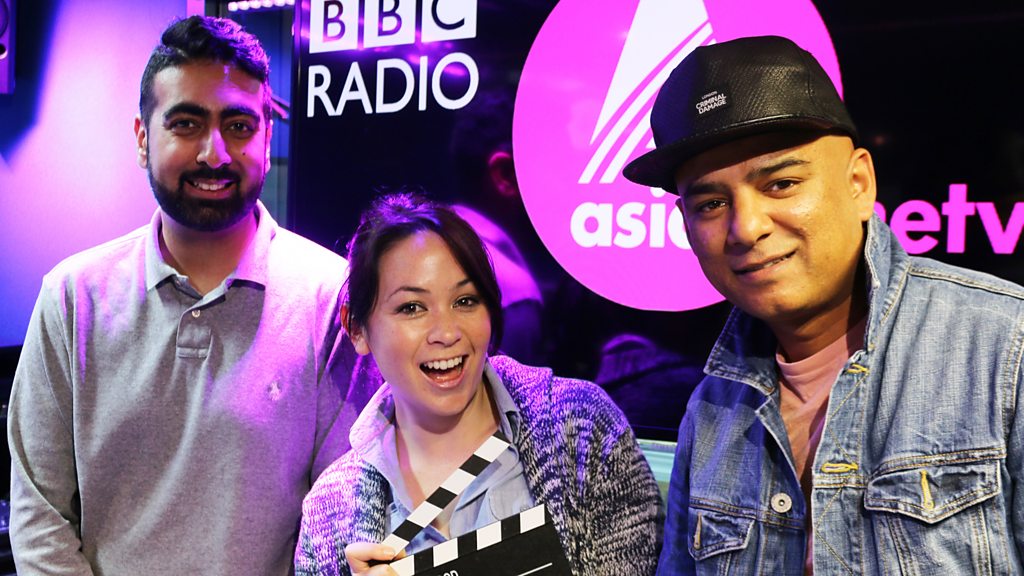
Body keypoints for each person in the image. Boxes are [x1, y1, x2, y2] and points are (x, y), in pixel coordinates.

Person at [622, 35, 1024, 575]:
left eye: (781, 184)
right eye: (712, 203)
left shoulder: (1006, 349)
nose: (746, 228)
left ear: (859, 183)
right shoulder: (713, 408)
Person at [7, 16, 373, 575]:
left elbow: (342, 518)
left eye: (239, 126)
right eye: (186, 124)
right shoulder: (72, 298)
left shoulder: (331, 297)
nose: (214, 153)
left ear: (267, 139)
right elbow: (39, 516)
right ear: (142, 137)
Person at [294, 192, 662, 576]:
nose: (446, 332)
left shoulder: (580, 429)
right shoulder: (330, 511)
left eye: (465, 301)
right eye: (411, 308)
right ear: (356, 328)